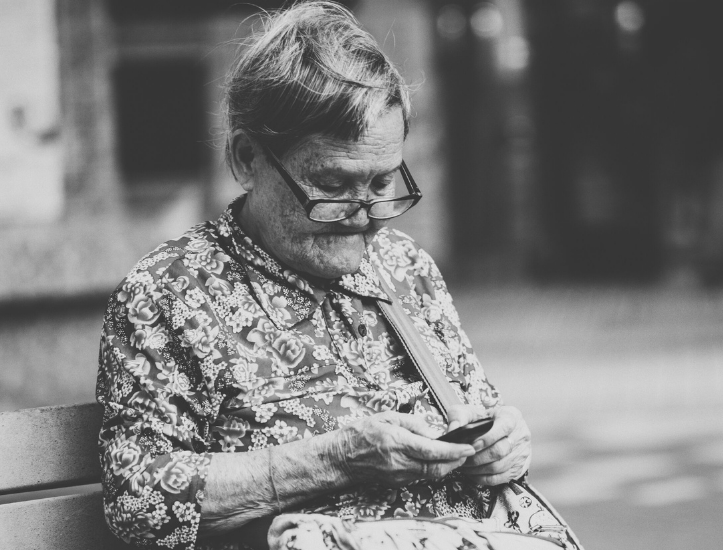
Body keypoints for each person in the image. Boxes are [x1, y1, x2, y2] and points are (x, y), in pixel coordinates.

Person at [96, 3, 577, 549]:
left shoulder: (404, 265)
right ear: (247, 158)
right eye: (333, 184)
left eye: (381, 184)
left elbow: (478, 412)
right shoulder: (169, 292)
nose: (366, 214)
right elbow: (138, 499)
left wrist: (504, 443)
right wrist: (337, 459)